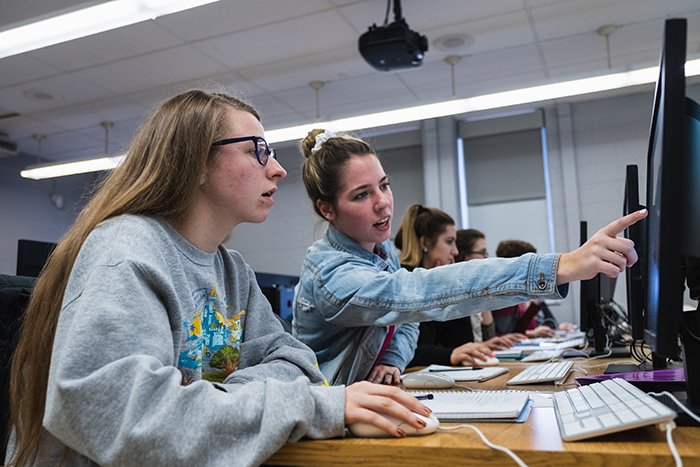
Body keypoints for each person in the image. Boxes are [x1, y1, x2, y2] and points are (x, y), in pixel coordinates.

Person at [5, 91, 432, 466]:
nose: (279, 170)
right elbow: (121, 418)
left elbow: (296, 363)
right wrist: (316, 407)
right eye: (258, 150)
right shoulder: (126, 250)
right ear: (196, 164)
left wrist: (217, 400)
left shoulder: (230, 270)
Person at [292, 128, 645, 387]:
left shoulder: (378, 249)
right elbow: (419, 295)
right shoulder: (332, 276)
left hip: (364, 402)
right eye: (361, 195)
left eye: (384, 185)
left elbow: (408, 320)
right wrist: (559, 267)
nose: (383, 202)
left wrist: (391, 359)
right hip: (327, 417)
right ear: (327, 208)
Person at [393, 204, 494, 367]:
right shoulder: (404, 280)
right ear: (425, 242)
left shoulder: (431, 280)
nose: (455, 251)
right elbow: (406, 351)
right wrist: (448, 355)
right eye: (449, 242)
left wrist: (446, 284)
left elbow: (461, 342)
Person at [492, 239, 574, 337]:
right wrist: (533, 332)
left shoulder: (526, 290)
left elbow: (550, 322)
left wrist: (557, 328)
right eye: (530, 263)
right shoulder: (504, 295)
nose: (534, 268)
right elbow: (509, 333)